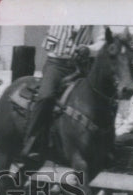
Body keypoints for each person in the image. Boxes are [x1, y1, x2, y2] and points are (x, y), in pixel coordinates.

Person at [19, 25, 107, 166]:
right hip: (56, 65)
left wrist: (89, 49)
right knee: (45, 96)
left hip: (81, 66)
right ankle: (32, 142)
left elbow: (102, 41)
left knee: (97, 98)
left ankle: (104, 146)